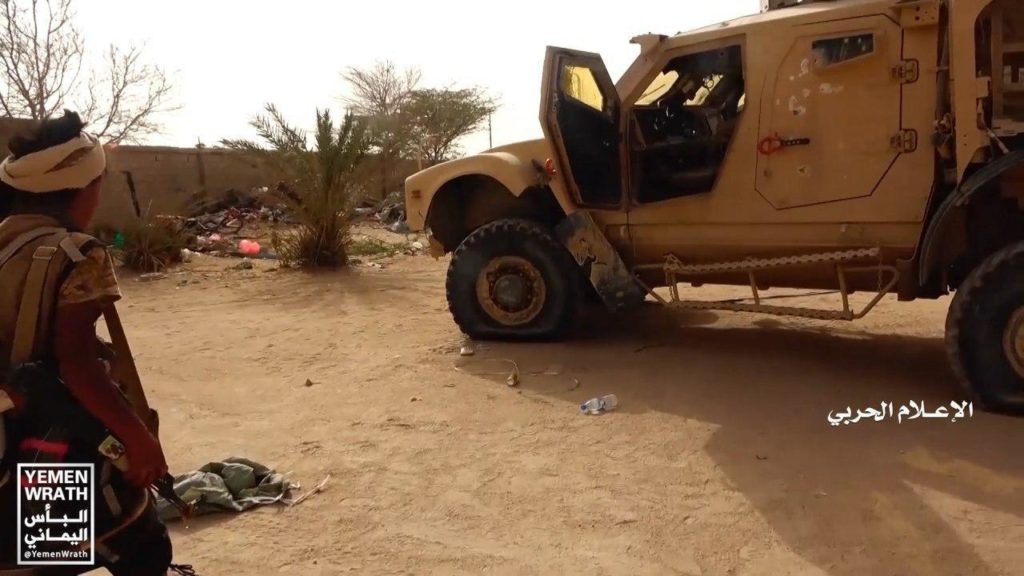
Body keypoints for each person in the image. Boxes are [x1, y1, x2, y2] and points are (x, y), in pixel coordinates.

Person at [0, 111, 180, 575]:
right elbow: (76, 365)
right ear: (83, 187)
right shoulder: (77, 253)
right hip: (42, 432)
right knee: (136, 536)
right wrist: (138, 441)